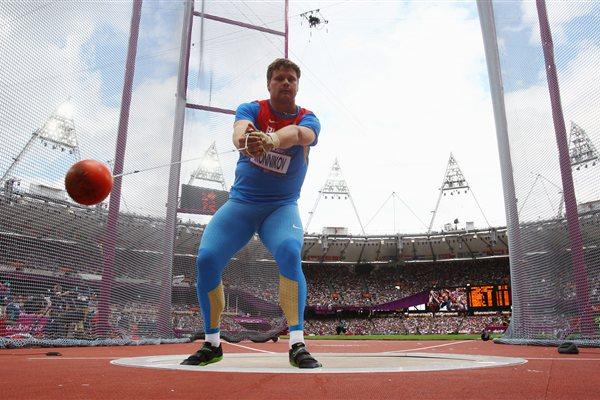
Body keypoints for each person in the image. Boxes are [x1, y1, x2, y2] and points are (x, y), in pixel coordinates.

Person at [181, 58, 322, 369]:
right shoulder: (252, 109)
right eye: (279, 78)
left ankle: (297, 343)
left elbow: (301, 135)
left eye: (291, 79)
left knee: (288, 249)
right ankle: (212, 343)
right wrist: (247, 141)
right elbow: (239, 131)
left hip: (281, 207)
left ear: (297, 85)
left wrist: (271, 139)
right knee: (206, 259)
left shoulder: (308, 117)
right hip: (242, 204)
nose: (286, 83)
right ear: (269, 84)